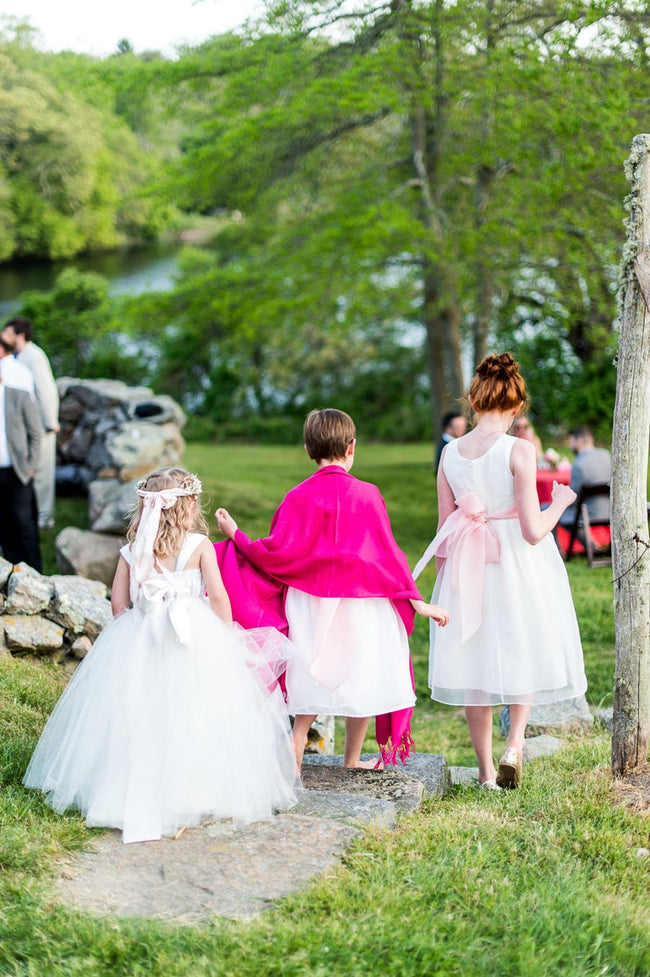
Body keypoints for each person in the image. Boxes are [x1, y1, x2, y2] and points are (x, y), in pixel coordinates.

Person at [24, 466, 297, 844]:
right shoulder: (200, 545)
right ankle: (196, 791)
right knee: (195, 714)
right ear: (187, 507)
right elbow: (218, 597)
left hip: (142, 636)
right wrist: (226, 633)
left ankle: (125, 790)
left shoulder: (131, 550)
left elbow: (119, 604)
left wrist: (135, 628)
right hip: (194, 638)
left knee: (138, 714)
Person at [215, 408, 449, 773]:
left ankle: (297, 740)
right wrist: (417, 602)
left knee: (308, 670)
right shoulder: (368, 494)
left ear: (308, 448)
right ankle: (352, 760)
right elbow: (388, 553)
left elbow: (277, 551)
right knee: (365, 672)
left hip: (309, 603)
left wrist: (236, 536)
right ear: (352, 447)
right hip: (362, 601)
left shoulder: (297, 497)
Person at [415, 353, 587, 790]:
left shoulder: (450, 452)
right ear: (515, 407)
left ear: (474, 402)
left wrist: (442, 586)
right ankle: (514, 745)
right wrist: (561, 505)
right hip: (516, 564)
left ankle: (487, 771)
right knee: (520, 647)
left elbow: (442, 530)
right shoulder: (520, 449)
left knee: (474, 663)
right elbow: (532, 531)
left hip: (464, 566)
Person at [1, 317, 59, 529]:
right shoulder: (20, 356)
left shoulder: (33, 356)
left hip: (42, 424)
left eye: (8, 333)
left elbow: (46, 389)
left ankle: (45, 518)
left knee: (43, 473)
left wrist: (50, 422)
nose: (4, 337)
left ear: (20, 335)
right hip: (29, 423)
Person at [0, 365, 42, 571]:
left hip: (18, 471)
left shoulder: (19, 396)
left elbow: (36, 433)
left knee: (24, 523)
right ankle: (12, 570)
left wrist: (32, 465)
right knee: (3, 524)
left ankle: (35, 571)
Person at [559, 425, 611, 528]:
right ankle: (590, 544)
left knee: (547, 511)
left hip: (587, 514)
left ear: (579, 441)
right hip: (608, 512)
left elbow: (573, 498)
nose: (570, 445)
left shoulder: (579, 464)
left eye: (571, 441)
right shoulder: (606, 455)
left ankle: (556, 544)